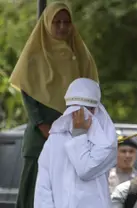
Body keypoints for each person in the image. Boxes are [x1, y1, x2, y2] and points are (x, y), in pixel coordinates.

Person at [9, 2, 99, 207]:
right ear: (47, 24)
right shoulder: (34, 54)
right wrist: (42, 125)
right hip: (41, 134)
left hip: (72, 133)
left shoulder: (80, 53)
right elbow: (28, 93)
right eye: (56, 22)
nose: (61, 27)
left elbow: (90, 91)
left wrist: (79, 127)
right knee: (34, 190)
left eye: (66, 22)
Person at [33, 78, 117, 208]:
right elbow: (43, 187)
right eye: (73, 110)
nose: (77, 116)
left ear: (95, 110)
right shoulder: (55, 139)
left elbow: (85, 170)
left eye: (85, 109)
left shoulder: (106, 142)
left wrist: (79, 135)